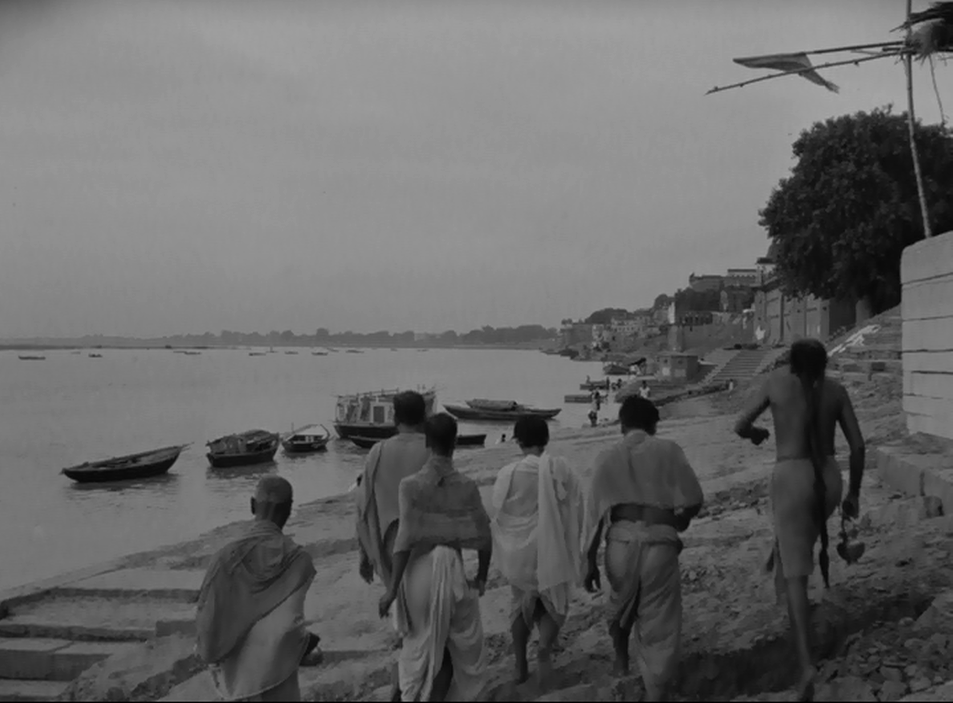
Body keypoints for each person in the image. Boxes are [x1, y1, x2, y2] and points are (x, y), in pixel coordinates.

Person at [734, 338, 865, 702]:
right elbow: (858, 446)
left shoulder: (776, 382)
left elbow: (740, 424)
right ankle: (785, 567)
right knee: (800, 542)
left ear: (792, 364)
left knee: (797, 576)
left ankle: (806, 664)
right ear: (824, 365)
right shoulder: (836, 390)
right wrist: (854, 494)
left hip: (791, 477)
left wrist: (757, 434)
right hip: (829, 478)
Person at [582, 397, 703, 702]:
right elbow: (694, 499)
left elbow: (594, 517)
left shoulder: (607, 456)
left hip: (620, 543)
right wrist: (682, 520)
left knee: (620, 603)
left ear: (622, 425)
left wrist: (589, 560)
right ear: (653, 426)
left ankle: (621, 659)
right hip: (659, 543)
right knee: (659, 623)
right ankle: (655, 692)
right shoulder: (669, 450)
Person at [379, 413, 492, 702]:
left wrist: (392, 589)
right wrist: (481, 576)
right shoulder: (466, 486)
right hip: (451, 574)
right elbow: (483, 536)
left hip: (417, 576)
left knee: (417, 645)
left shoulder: (410, 485)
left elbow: (404, 541)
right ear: (455, 442)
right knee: (452, 648)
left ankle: (408, 693)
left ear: (427, 442)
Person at [195, 476, 321, 702]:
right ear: (289, 510)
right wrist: (303, 645)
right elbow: (288, 626)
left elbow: (208, 626)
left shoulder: (224, 559)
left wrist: (208, 653)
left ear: (253, 505)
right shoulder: (298, 560)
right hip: (279, 674)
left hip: (236, 682)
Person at [492, 416, 586, 688]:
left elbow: (498, 511)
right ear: (546, 439)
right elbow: (575, 507)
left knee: (519, 601)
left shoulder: (508, 473)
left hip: (518, 553)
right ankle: (544, 646)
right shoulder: (560, 468)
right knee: (554, 600)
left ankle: (520, 663)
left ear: (518, 441)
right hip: (552, 547)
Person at [356, 391, 430, 701]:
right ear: (424, 416)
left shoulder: (378, 452)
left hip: (389, 546)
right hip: (426, 547)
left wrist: (365, 552)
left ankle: (404, 680)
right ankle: (410, 682)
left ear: (395, 417)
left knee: (405, 614)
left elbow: (364, 506)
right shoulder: (433, 448)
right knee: (428, 618)